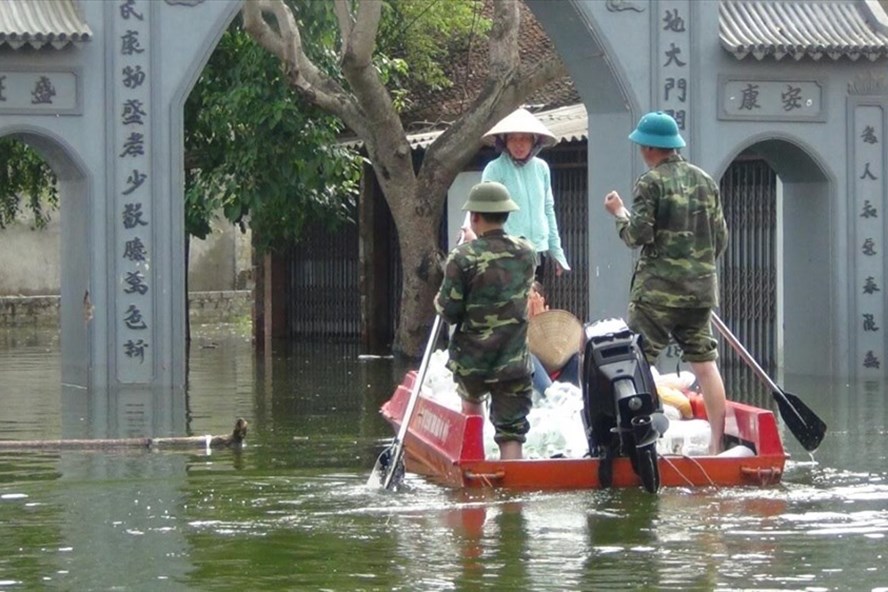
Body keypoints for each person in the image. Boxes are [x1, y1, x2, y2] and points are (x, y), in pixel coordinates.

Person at [603, 111, 729, 454]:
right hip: (700, 291)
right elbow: (720, 239)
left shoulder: (650, 182)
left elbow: (637, 235)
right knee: (705, 364)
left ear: (648, 148)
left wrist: (619, 214)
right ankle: (717, 446)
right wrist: (695, 268)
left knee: (638, 362)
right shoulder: (706, 181)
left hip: (657, 294)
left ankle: (639, 444)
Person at [435, 181, 537, 460]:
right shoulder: (527, 252)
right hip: (513, 360)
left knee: (471, 413)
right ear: (506, 215)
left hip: (473, 361)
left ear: (475, 216)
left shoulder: (461, 258)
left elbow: (449, 311)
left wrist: (467, 248)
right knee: (512, 433)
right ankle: (513, 486)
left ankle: (474, 471)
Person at [462, 108, 570, 281]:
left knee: (535, 295)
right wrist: (469, 230)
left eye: (524, 138)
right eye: (513, 138)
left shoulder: (542, 168)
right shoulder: (495, 168)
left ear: (534, 141)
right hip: (506, 251)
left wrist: (557, 252)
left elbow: (548, 210)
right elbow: (480, 203)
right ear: (504, 141)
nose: (519, 144)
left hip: (537, 250)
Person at [526, 282, 581, 396]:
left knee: (578, 359)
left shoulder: (556, 328)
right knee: (527, 358)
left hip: (562, 378)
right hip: (535, 387)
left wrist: (541, 323)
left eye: (529, 298)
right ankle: (551, 396)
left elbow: (556, 355)